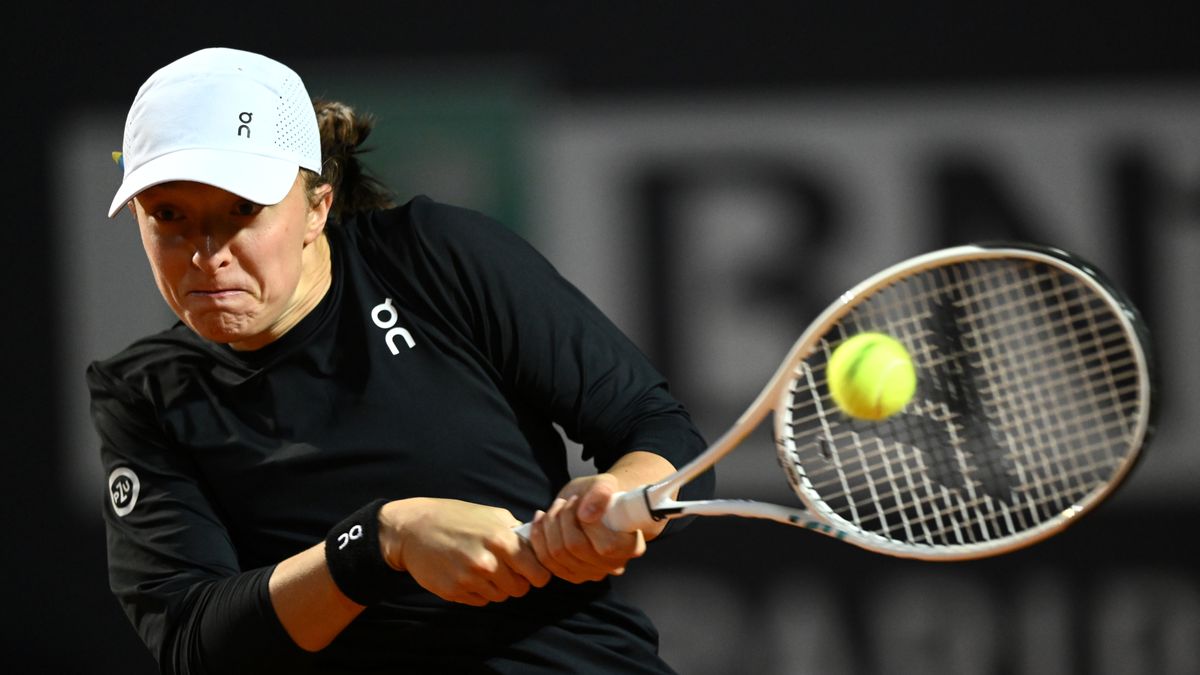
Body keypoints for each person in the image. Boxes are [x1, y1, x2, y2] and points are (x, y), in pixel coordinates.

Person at [89, 47, 714, 674]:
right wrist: (382, 540)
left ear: (316, 207)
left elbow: (659, 431)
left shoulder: (437, 257)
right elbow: (193, 643)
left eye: (243, 211)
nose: (206, 254)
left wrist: (620, 495)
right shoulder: (144, 393)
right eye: (169, 215)